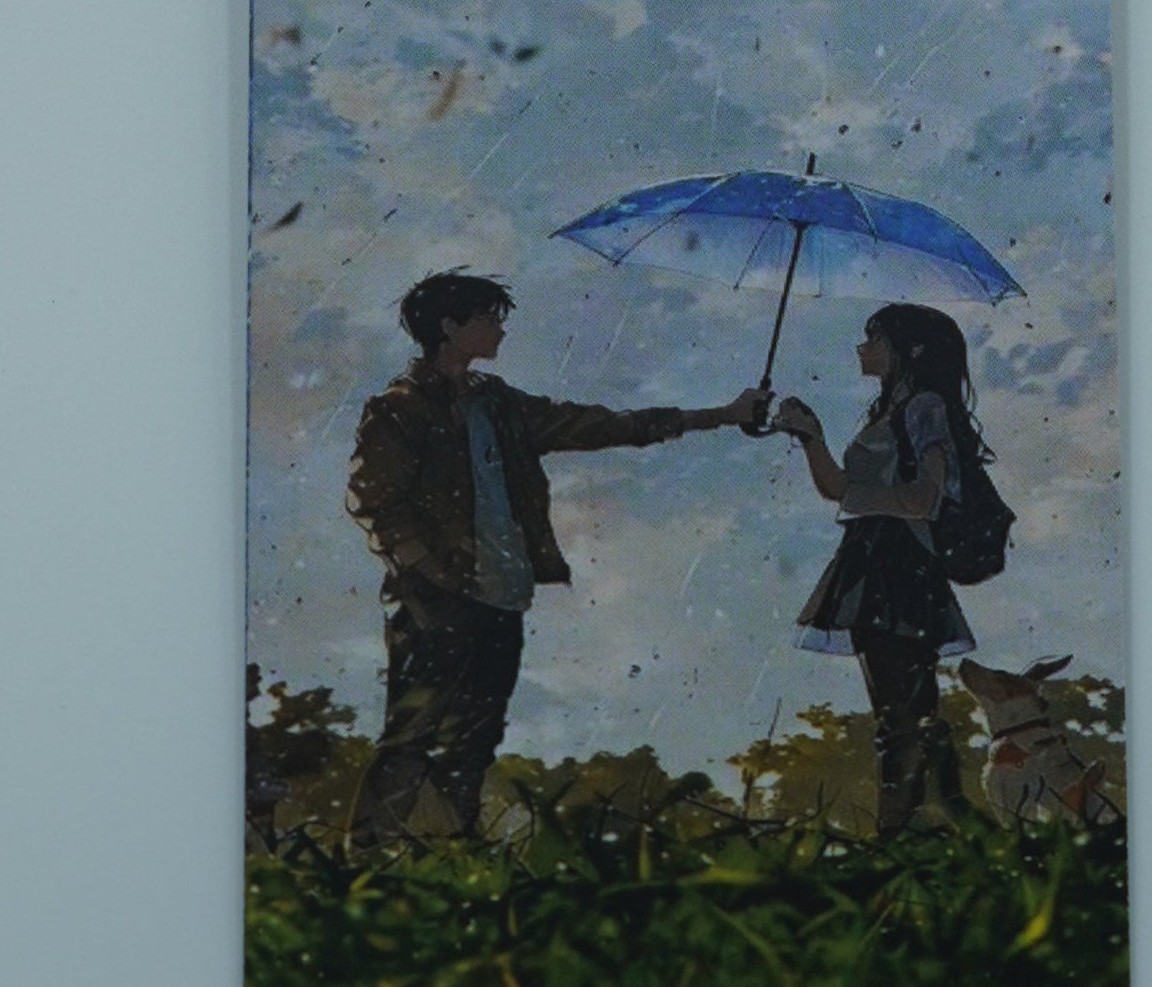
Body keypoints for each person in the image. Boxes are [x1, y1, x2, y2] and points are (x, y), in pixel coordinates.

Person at [345, 267, 767, 841]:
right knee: (411, 737)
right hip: (434, 601)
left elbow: (598, 425)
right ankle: (365, 853)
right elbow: (375, 502)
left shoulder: (497, 402)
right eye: (487, 319)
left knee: (474, 741)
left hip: (501, 596)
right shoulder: (401, 406)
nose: (500, 329)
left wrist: (720, 415)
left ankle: (452, 853)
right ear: (448, 327)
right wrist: (433, 571)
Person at [774, 300, 991, 839]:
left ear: (908, 350)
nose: (862, 348)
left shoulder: (925, 408)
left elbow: (923, 499)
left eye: (875, 339)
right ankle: (935, 815)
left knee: (902, 709)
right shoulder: (885, 412)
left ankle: (903, 827)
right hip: (873, 560)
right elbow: (836, 488)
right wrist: (811, 436)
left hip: (901, 562)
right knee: (901, 705)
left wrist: (862, 500)